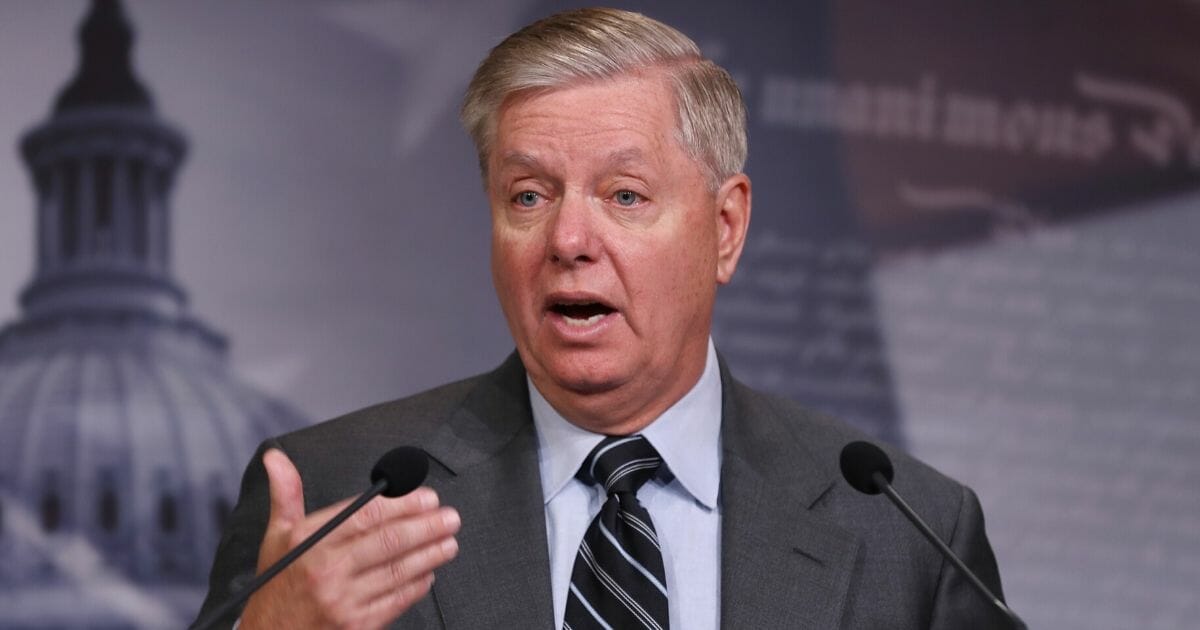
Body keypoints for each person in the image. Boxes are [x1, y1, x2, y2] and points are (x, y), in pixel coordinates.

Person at [195, 7, 1008, 629]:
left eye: (625, 195)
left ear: (725, 228)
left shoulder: (905, 533)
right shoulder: (334, 498)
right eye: (528, 196)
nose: (569, 240)